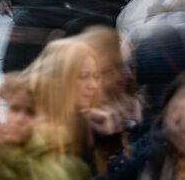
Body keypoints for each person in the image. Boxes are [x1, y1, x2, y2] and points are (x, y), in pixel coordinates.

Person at [22, 38, 126, 176]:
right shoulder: (31, 129)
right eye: (83, 76)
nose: (93, 85)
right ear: (59, 78)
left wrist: (109, 138)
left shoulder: (86, 122)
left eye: (96, 76)